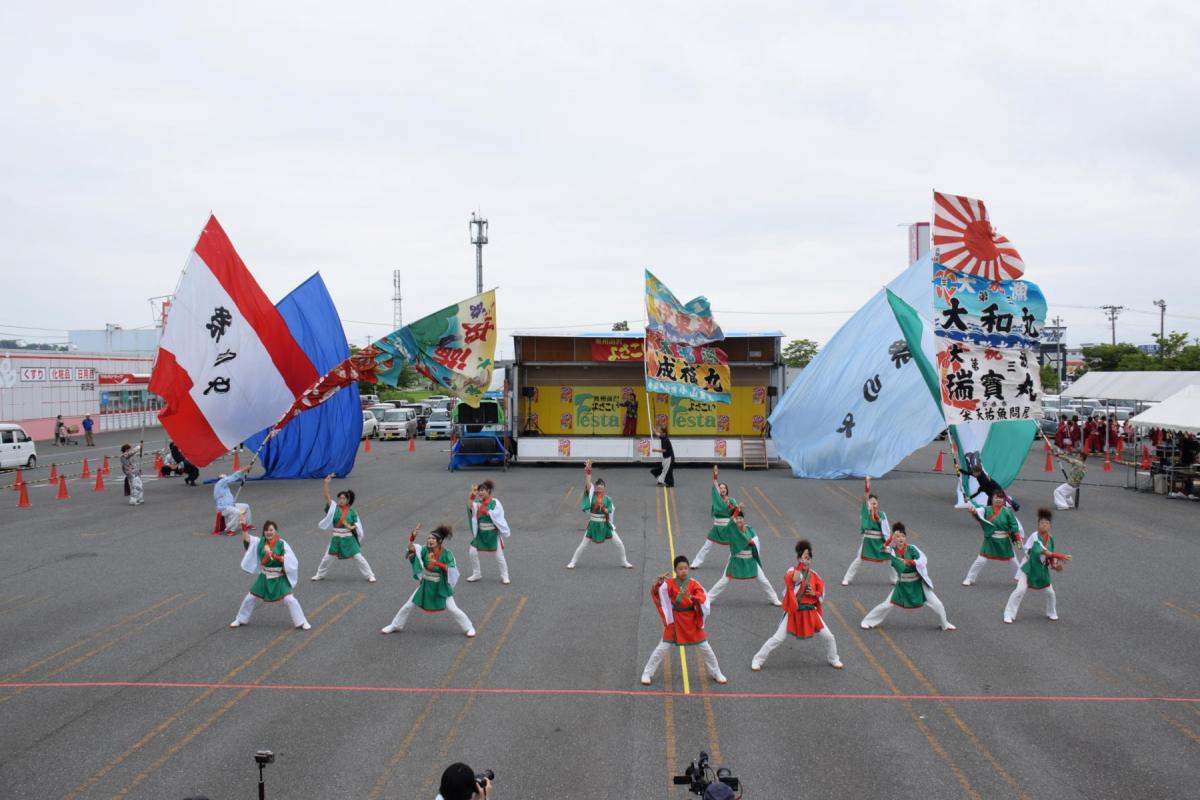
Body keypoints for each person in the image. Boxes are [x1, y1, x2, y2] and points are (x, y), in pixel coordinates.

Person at [753, 539, 843, 671]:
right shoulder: (793, 570)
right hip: (794, 611)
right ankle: (757, 659)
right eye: (803, 558)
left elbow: (821, 593)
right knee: (778, 638)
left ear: (811, 560)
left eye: (808, 558)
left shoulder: (814, 575)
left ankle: (833, 658)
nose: (805, 561)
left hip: (810, 612)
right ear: (798, 559)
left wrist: (814, 593)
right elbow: (794, 579)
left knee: (829, 637)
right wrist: (800, 566)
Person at [641, 555, 728, 685]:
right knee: (662, 648)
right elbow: (657, 593)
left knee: (706, 648)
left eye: (686, 568)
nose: (683, 571)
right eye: (680, 568)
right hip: (675, 621)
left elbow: (702, 596)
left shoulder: (693, 583)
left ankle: (716, 672)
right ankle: (647, 673)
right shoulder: (669, 583)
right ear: (675, 570)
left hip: (692, 621)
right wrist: (658, 583)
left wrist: (691, 597)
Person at [382, 524, 475, 637]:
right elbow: (411, 548)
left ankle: (469, 627)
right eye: (429, 538)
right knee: (408, 605)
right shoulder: (424, 550)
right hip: (426, 585)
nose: (430, 540)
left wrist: (437, 563)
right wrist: (412, 537)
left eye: (433, 538)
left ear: (439, 541)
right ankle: (395, 625)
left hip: (441, 586)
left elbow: (452, 570)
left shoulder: (447, 554)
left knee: (453, 609)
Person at [860, 523, 955, 631]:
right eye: (898, 536)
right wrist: (890, 537)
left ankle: (945, 624)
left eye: (903, 536)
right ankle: (867, 621)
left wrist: (909, 562)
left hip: (918, 584)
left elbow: (923, 560)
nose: (901, 538)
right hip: (902, 585)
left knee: (938, 604)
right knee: (886, 605)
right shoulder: (891, 551)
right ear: (894, 539)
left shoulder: (912, 548)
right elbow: (881, 549)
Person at [230, 518, 311, 630]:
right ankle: (240, 619)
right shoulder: (259, 542)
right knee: (250, 598)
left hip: (279, 578)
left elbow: (290, 560)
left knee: (290, 599)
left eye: (271, 530)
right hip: (264, 577)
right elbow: (247, 538)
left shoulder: (282, 544)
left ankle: (302, 621)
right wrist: (243, 526)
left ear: (275, 531)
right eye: (266, 530)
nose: (268, 532)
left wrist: (274, 556)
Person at [1004, 508, 1071, 623]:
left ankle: (1051, 612)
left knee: (1050, 592)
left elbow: (1050, 555)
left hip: (1041, 568)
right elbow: (1045, 552)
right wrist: (1061, 556)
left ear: (1050, 526)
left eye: (1047, 523)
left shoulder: (1051, 539)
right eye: (1042, 523)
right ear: (1038, 525)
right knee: (1020, 590)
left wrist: (1055, 565)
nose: (1044, 525)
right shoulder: (1035, 537)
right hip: (1029, 567)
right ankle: (1008, 614)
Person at [706, 507, 782, 606]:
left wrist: (752, 544)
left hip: (750, 560)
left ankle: (774, 598)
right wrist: (736, 510)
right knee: (724, 581)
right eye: (737, 518)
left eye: (741, 518)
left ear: (744, 519)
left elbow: (756, 542)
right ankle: (708, 598)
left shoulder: (750, 529)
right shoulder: (732, 529)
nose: (739, 520)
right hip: (736, 560)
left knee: (763, 580)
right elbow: (730, 525)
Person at [567, 460, 633, 569]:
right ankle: (573, 562)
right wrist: (588, 471)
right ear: (596, 488)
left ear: (604, 487)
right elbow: (588, 483)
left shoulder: (608, 499)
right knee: (583, 545)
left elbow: (611, 511)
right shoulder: (592, 496)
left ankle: (624, 561)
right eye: (598, 486)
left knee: (619, 543)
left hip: (605, 524)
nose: (599, 487)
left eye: (601, 486)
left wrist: (608, 516)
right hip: (593, 524)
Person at [312, 474, 376, 582]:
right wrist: (326, 483)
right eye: (340, 498)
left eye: (343, 498)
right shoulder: (333, 508)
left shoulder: (352, 511)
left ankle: (370, 575)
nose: (341, 500)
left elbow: (357, 524)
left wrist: (350, 526)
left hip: (349, 538)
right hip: (336, 538)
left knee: (358, 557)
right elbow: (327, 496)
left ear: (347, 500)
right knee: (327, 558)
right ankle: (320, 574)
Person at [841, 476, 896, 586]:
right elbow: (865, 497)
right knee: (859, 559)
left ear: (877, 504)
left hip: (880, 541)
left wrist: (879, 520)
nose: (873, 505)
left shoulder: (882, 514)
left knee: (890, 559)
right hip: (868, 540)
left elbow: (886, 529)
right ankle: (847, 578)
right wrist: (867, 484)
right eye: (871, 503)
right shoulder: (865, 511)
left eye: (875, 503)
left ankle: (895, 579)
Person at [962, 490, 1024, 586]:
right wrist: (974, 512)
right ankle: (969, 578)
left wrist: (1017, 538)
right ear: (992, 498)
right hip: (990, 540)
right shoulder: (986, 509)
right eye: (996, 497)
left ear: (1004, 500)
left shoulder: (1007, 511)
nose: (999, 499)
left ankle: (1021, 579)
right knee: (981, 560)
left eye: (1001, 498)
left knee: (1013, 561)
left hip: (1004, 540)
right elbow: (978, 514)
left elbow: (1014, 525)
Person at [691, 465, 736, 569]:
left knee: (734, 546)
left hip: (728, 527)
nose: (723, 489)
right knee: (706, 545)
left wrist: (732, 508)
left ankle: (734, 563)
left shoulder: (732, 500)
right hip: (716, 527)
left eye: (724, 488)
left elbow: (736, 513)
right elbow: (715, 483)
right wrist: (715, 474)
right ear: (718, 490)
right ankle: (696, 563)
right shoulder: (716, 499)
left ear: (727, 490)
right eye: (721, 488)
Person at [466, 479, 511, 584]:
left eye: (482, 490)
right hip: (481, 533)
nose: (480, 492)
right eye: (479, 490)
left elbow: (498, 514)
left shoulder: (495, 502)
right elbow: (470, 507)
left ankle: (505, 576)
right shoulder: (478, 503)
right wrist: (472, 497)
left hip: (492, 533)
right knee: (472, 552)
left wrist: (487, 512)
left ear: (488, 491)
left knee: (499, 556)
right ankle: (477, 573)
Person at [213, 468, 252, 533]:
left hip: (231, 505)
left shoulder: (225, 487)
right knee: (237, 512)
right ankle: (230, 529)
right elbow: (232, 477)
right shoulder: (219, 483)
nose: (226, 480)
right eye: (224, 479)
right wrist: (243, 470)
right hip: (223, 508)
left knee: (246, 506)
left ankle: (247, 524)